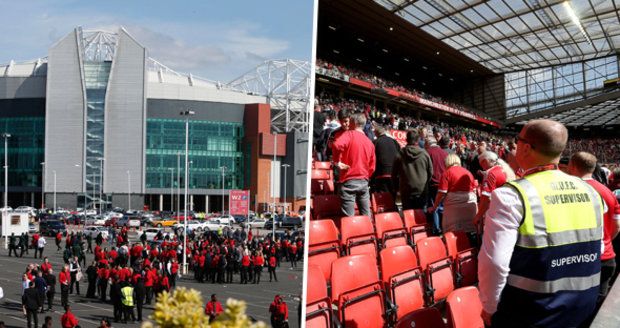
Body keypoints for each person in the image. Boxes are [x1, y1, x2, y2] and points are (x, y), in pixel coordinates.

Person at [478, 119, 604, 328]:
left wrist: (490, 306)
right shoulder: (591, 191)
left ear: (526, 148)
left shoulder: (511, 195)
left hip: (530, 313)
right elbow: (597, 246)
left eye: (518, 140)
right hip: (583, 309)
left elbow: (495, 262)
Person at [569, 151, 620, 301]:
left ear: (572, 166)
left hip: (578, 259)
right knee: (598, 305)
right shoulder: (608, 192)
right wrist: (605, 241)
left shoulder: (569, 190)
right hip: (607, 257)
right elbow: (617, 226)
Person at [331, 112, 376, 216]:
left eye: (350, 122)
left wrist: (338, 162)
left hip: (348, 181)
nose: (348, 124)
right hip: (364, 181)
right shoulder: (370, 142)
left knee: (349, 219)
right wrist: (365, 176)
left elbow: (336, 145)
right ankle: (367, 231)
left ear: (354, 123)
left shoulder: (349, 134)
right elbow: (372, 167)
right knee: (366, 216)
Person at [392, 129, 433, 210]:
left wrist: (397, 188)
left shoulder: (400, 154)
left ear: (407, 140)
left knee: (408, 216)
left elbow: (393, 175)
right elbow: (430, 173)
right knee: (421, 218)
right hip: (421, 191)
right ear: (418, 140)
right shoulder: (425, 154)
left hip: (406, 191)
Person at [474, 151, 516, 229]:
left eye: (481, 163)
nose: (481, 166)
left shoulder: (490, 174)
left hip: (496, 213)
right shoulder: (503, 169)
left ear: (485, 161)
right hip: (507, 210)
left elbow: (486, 198)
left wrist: (478, 215)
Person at [371, 124, 401, 195]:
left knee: (383, 199)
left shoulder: (375, 142)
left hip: (381, 174)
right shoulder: (394, 141)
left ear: (376, 133)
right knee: (393, 197)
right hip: (395, 173)